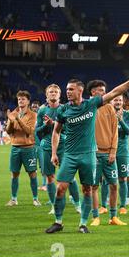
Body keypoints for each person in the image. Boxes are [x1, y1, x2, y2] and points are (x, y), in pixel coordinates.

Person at [45, 69, 129, 234]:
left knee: (88, 189)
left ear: (80, 90)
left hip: (89, 155)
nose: (68, 92)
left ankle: (83, 223)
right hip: (69, 154)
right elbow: (56, 131)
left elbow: (115, 92)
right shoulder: (63, 110)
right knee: (61, 188)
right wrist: (54, 153)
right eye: (67, 89)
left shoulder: (91, 105)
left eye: (71, 89)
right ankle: (58, 221)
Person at [35, 84, 81, 214]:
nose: (53, 93)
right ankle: (54, 206)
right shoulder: (42, 110)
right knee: (50, 178)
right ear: (46, 95)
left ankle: (78, 204)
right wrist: (45, 126)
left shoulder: (66, 109)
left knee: (70, 176)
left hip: (64, 146)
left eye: (56, 91)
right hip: (47, 147)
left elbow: (70, 128)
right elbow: (37, 131)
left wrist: (53, 124)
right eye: (51, 92)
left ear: (60, 95)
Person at [87, 80, 126, 227]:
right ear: (93, 92)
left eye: (104, 90)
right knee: (94, 186)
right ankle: (95, 216)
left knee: (114, 185)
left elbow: (115, 131)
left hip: (108, 153)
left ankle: (113, 217)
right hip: (93, 154)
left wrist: (113, 151)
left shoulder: (110, 108)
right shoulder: (88, 107)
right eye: (100, 90)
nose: (103, 93)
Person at [5, 91, 40, 207]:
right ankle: (14, 199)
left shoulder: (33, 115)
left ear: (28, 101)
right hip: (15, 148)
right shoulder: (13, 113)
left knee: (32, 173)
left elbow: (29, 131)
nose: (21, 101)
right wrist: (10, 121)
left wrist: (17, 120)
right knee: (14, 174)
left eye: (23, 99)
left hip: (28, 148)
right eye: (19, 99)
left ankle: (35, 199)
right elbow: (8, 131)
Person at [112, 94, 129, 215]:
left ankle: (123, 205)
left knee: (122, 178)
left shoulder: (127, 115)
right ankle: (104, 205)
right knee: (107, 179)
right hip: (108, 150)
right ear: (111, 101)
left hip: (122, 151)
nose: (118, 102)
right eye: (116, 100)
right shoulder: (106, 114)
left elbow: (128, 131)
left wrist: (120, 119)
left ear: (123, 102)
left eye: (120, 100)